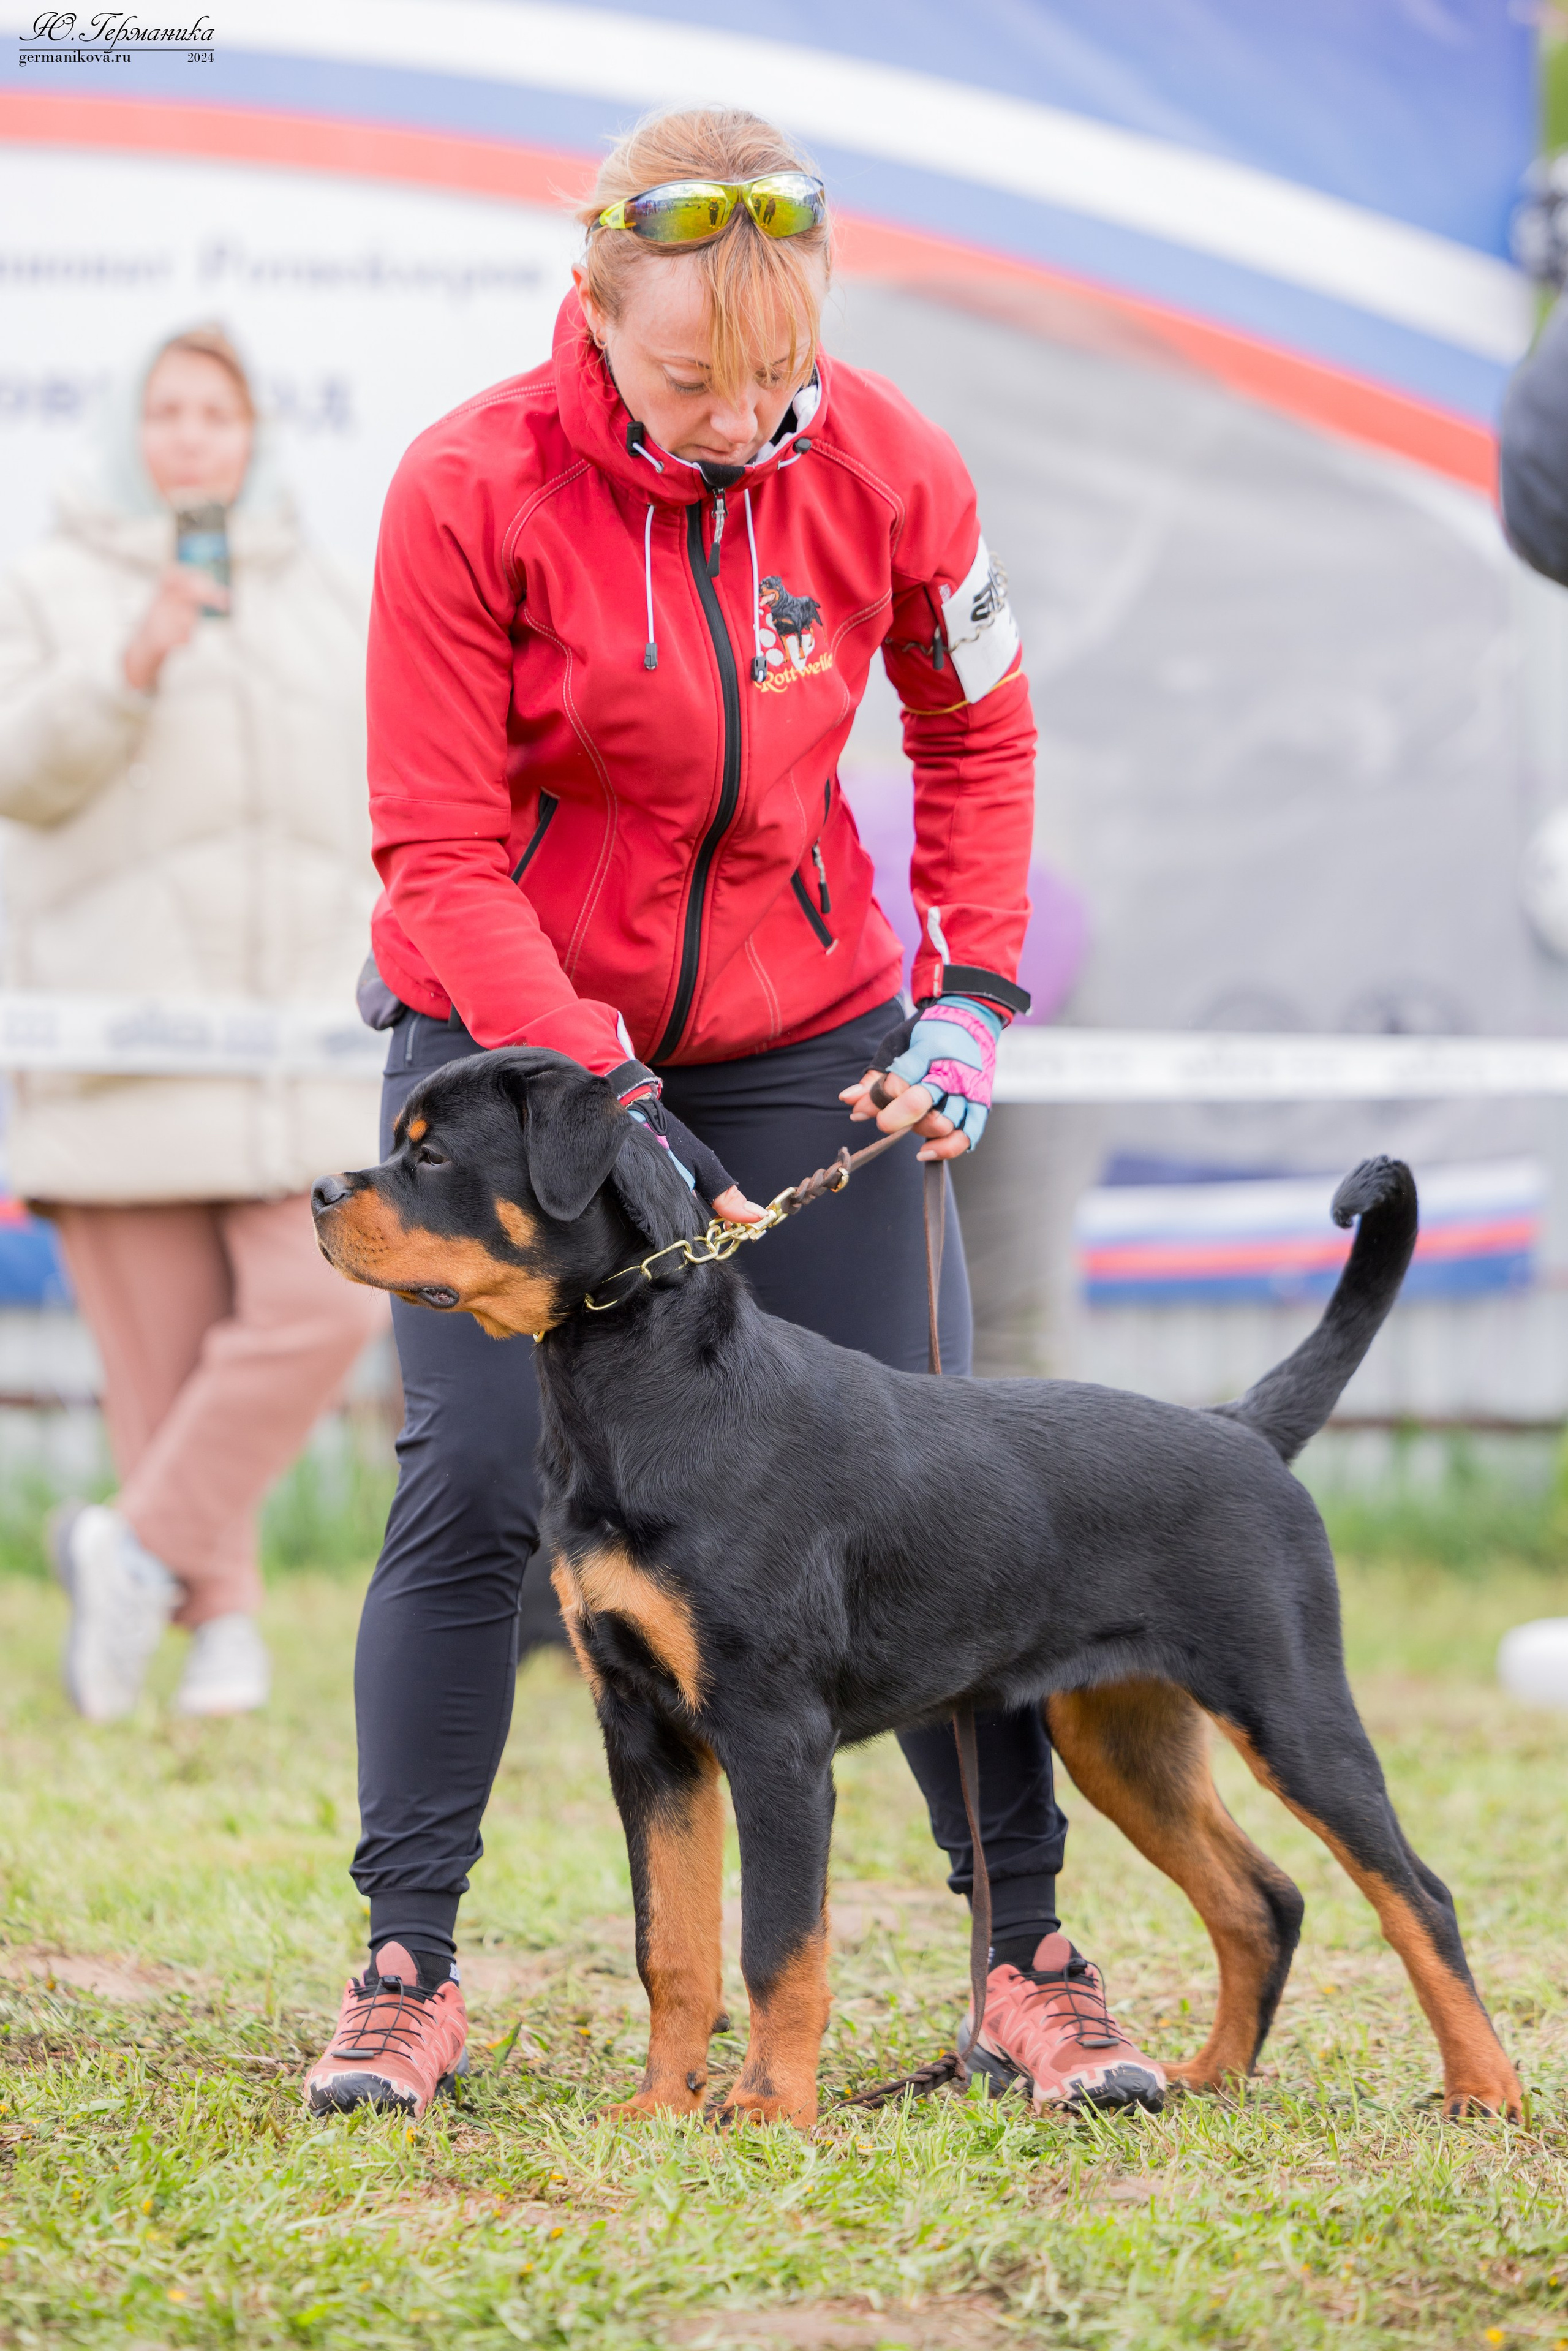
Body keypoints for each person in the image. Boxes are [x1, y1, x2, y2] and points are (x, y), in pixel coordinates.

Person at [304, 108, 1165, 2121]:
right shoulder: (467, 485)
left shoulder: (887, 460)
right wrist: (600, 1088)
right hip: (515, 1044)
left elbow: (978, 719)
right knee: (479, 1474)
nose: (734, 418)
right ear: (594, 308)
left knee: (947, 1482)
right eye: (692, 379)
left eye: (773, 380)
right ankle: (404, 1964)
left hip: (802, 1035)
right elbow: (435, 845)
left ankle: (1023, 1957)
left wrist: (968, 984)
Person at [0, 324, 386, 1721]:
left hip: (296, 1054)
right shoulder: (48, 585)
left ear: (254, 433)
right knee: (159, 1386)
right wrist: (128, 663)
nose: (189, 435)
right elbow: (19, 773)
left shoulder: (331, 596)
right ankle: (219, 1635)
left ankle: (129, 1547)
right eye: (164, 410)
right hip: (125, 1054)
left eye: (215, 411)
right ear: (127, 431)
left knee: (318, 1304)